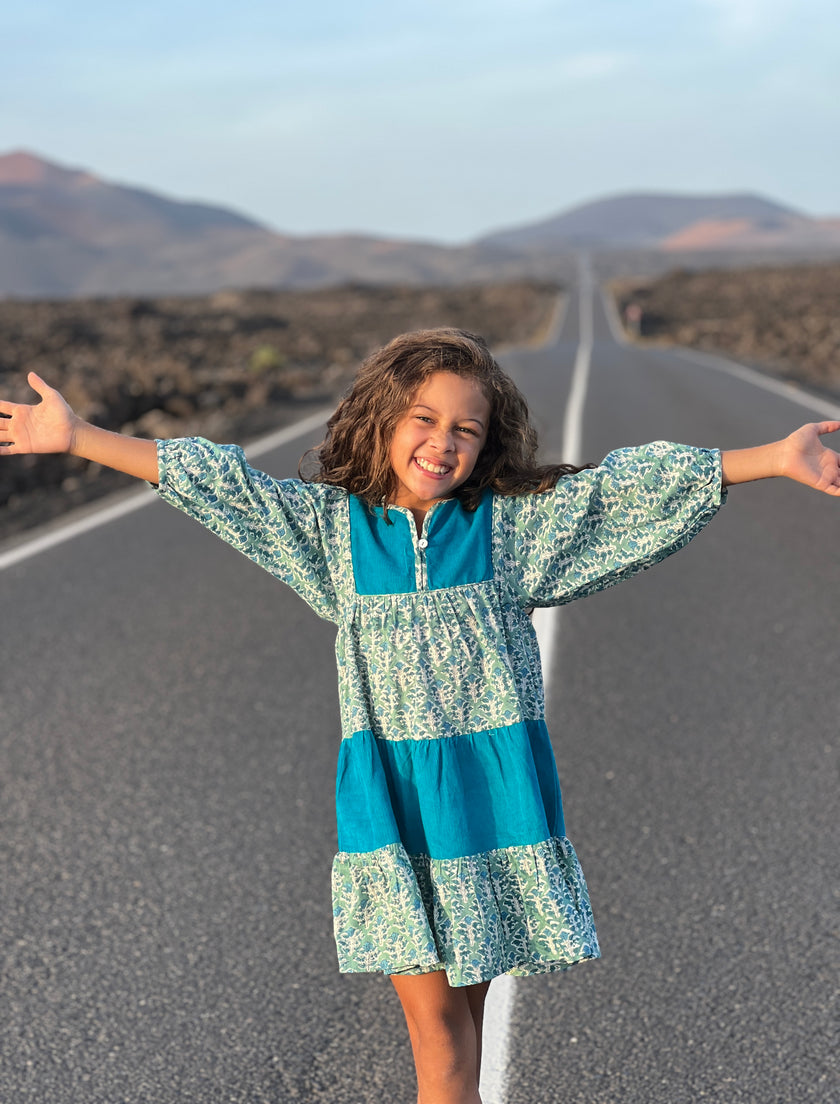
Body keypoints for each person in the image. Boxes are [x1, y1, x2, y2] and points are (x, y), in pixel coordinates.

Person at [2, 328, 839, 1104]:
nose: (443, 442)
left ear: (488, 445)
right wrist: (77, 440)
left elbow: (624, 492)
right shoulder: (333, 536)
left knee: (460, 1049)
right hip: (393, 808)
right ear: (379, 422)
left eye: (467, 430)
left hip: (488, 807)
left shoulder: (510, 533)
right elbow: (225, 487)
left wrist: (773, 455)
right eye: (424, 418)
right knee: (437, 1042)